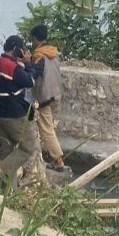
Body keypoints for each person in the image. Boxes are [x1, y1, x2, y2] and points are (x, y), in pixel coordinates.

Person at [0, 35, 38, 189]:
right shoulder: (12, 67)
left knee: (7, 151)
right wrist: (28, 64)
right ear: (16, 50)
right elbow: (30, 82)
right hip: (14, 114)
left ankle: (9, 192)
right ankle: (1, 168)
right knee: (28, 145)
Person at [30, 24, 67, 171]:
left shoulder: (39, 55)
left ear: (35, 39)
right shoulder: (54, 52)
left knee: (47, 129)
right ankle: (56, 159)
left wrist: (26, 63)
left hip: (43, 95)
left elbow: (34, 74)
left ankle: (58, 160)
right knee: (48, 126)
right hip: (54, 92)